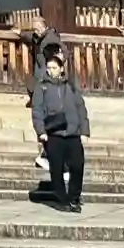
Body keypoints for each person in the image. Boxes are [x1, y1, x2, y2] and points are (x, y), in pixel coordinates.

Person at [30, 50, 91, 211]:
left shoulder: (70, 86)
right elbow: (37, 110)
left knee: (77, 165)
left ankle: (74, 198)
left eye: (54, 68)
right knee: (56, 168)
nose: (51, 71)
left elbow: (81, 108)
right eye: (49, 68)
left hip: (72, 132)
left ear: (61, 69)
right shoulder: (42, 87)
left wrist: (85, 131)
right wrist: (41, 131)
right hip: (53, 133)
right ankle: (62, 200)